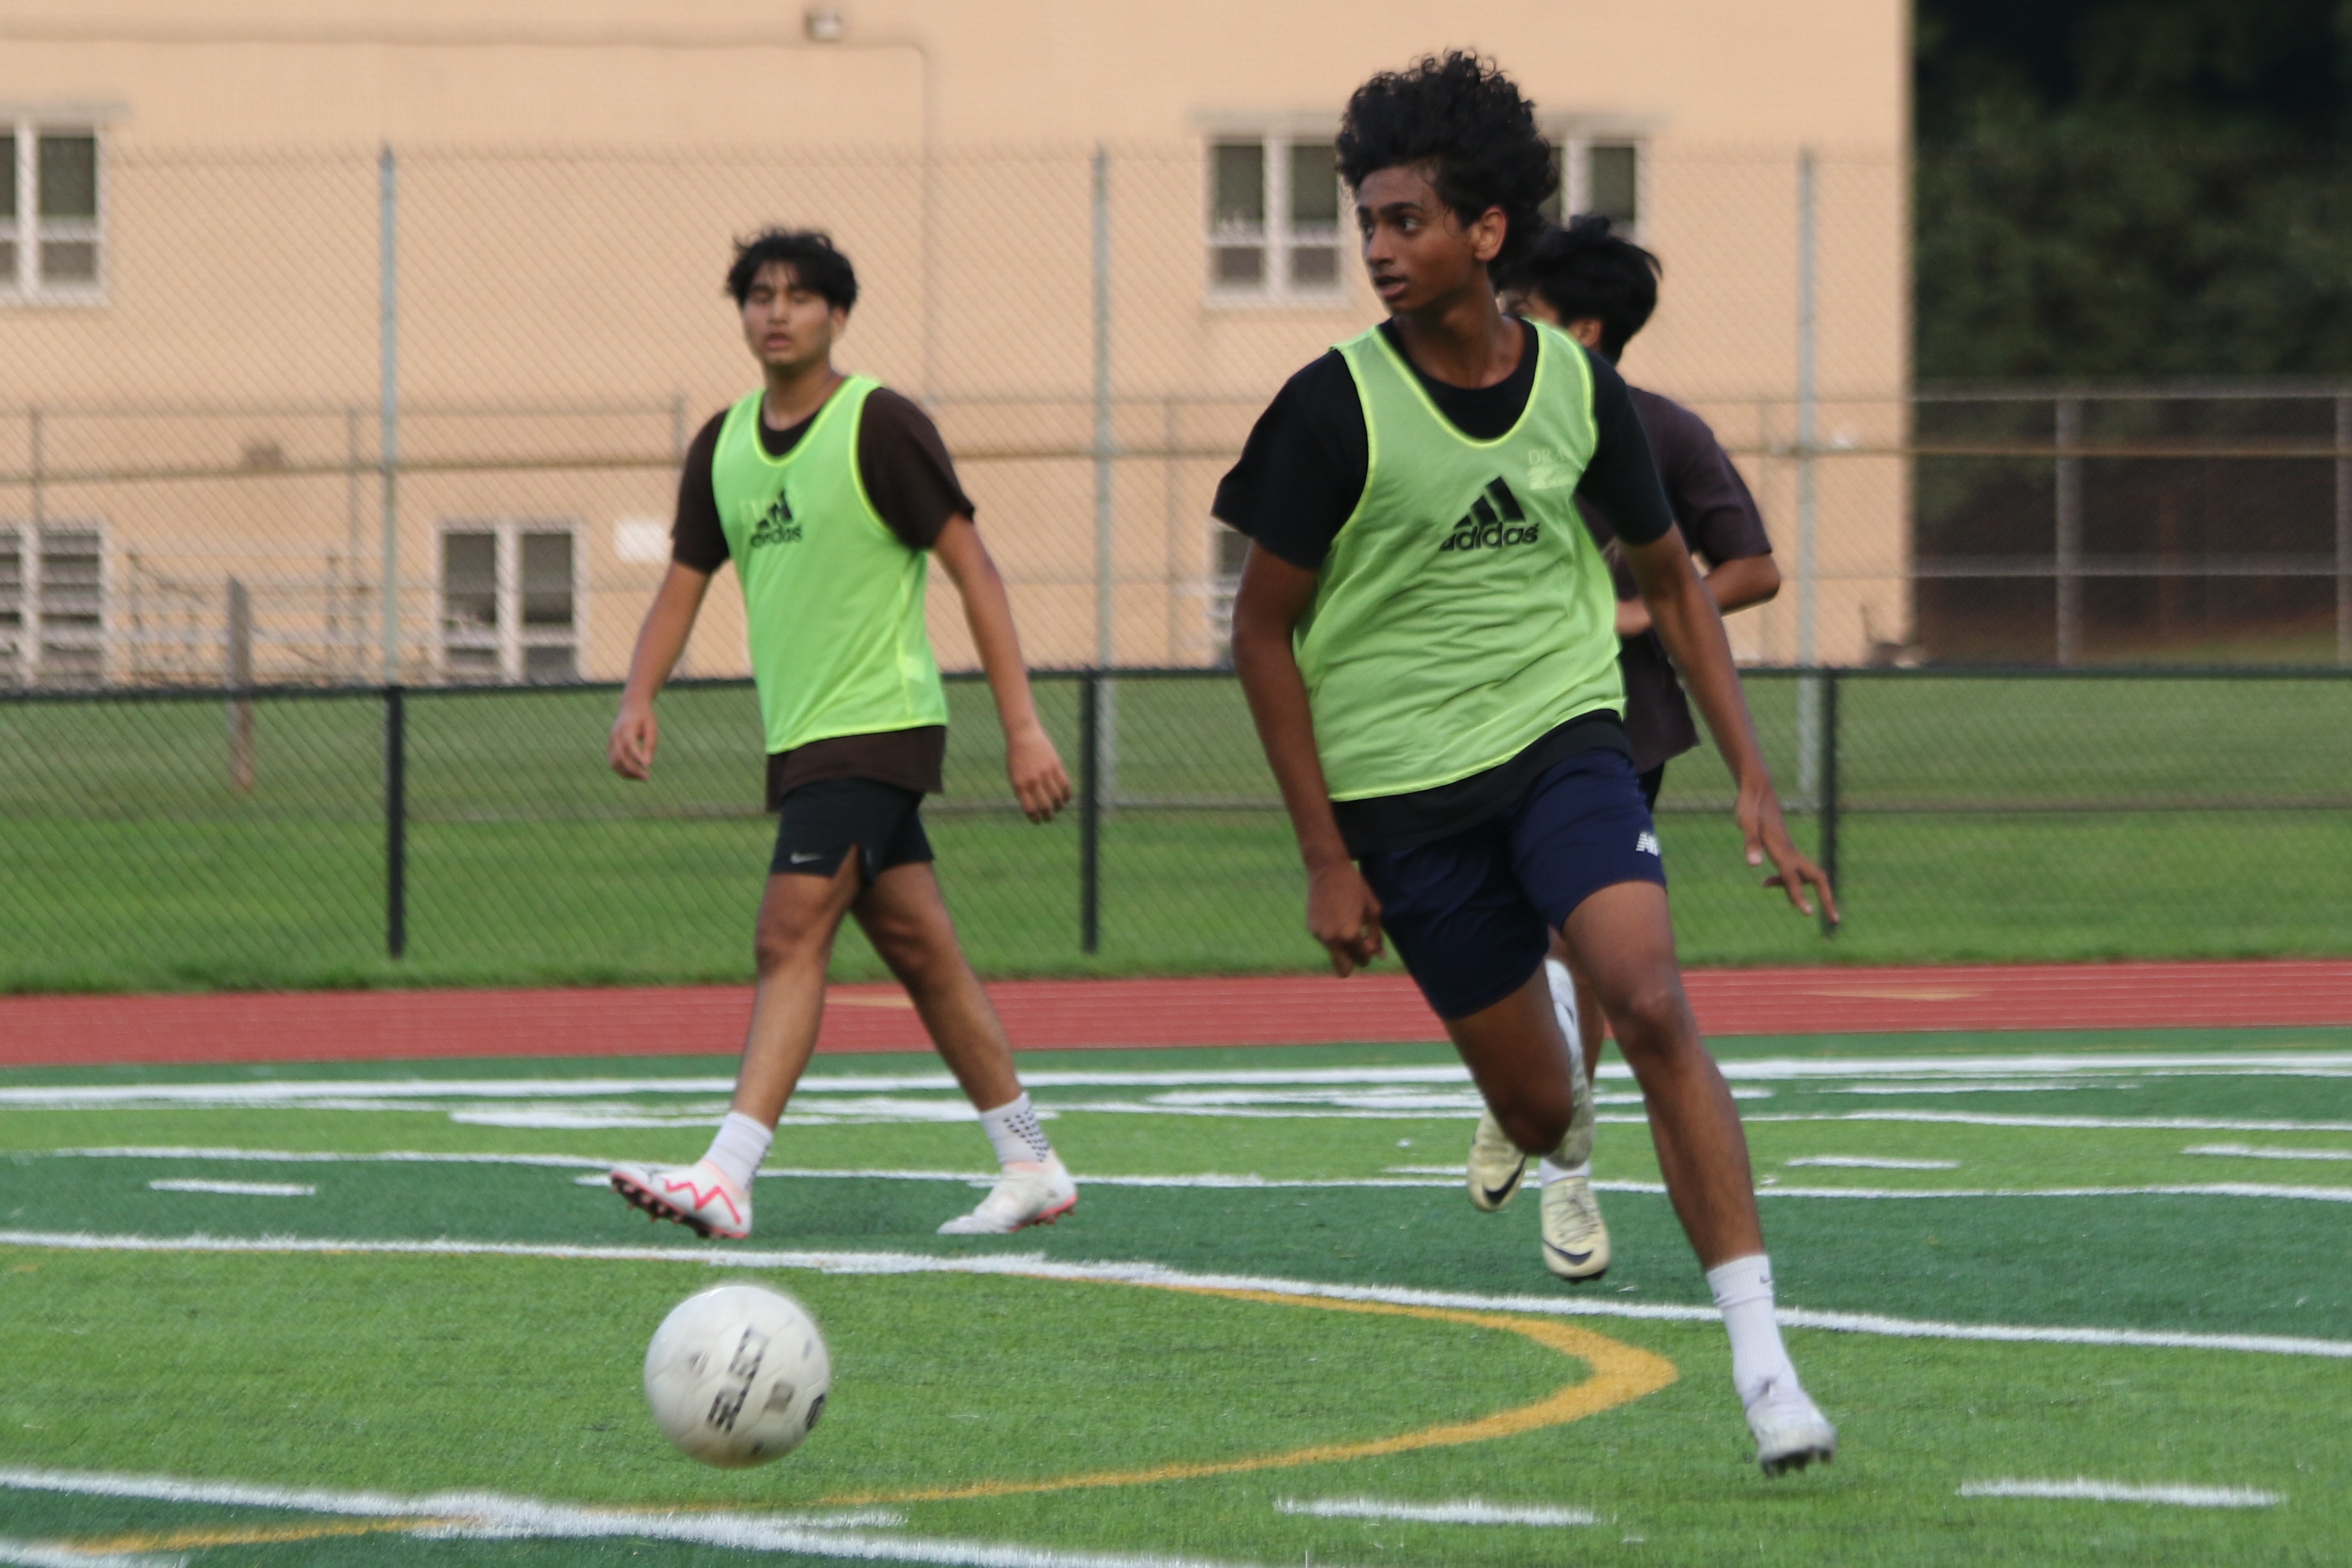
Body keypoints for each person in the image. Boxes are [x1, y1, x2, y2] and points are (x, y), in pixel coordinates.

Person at [1216, 52, 1840, 1474]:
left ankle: (1765, 1366)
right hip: (1403, 798)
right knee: (1543, 1110)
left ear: (1486, 230)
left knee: (1654, 999)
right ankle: (1549, 1061)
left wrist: (1751, 774)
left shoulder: (1579, 388)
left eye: (1407, 221)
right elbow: (1260, 633)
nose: (1378, 249)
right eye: (1366, 223)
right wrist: (1325, 857)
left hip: (1566, 739)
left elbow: (1675, 582)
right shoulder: (1329, 409)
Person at [604, 229, 1079, 1241]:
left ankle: (727, 1174)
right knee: (919, 949)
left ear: (838, 316)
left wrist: (1023, 727)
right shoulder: (723, 446)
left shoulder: (880, 424)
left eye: (800, 296)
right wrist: (638, 696)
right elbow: (681, 585)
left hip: (876, 726)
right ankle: (1029, 1159)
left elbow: (974, 571)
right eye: (759, 296)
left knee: (787, 935)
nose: (776, 312)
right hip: (803, 737)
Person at [1463, 215, 1787, 1276]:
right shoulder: (1478, 422)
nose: (1504, 322)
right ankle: (1520, 1094)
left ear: (1586, 330)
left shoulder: (1661, 433)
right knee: (1511, 945)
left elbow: (1750, 567)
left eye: (1526, 310)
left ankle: (1567, 1176)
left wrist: (1646, 612)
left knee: (1585, 951)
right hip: (1476, 717)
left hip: (1614, 724)